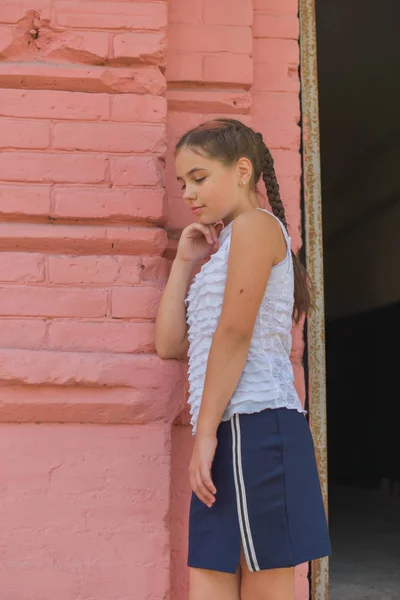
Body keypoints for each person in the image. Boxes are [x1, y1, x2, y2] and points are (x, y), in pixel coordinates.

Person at [155, 118, 331, 600]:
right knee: (209, 581)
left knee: (265, 586)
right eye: (182, 183)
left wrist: (206, 431)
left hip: (255, 428)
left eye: (199, 177)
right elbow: (171, 344)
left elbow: (234, 335)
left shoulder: (256, 227)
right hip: (226, 429)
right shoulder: (222, 249)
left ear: (242, 170)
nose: (189, 193)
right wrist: (185, 263)